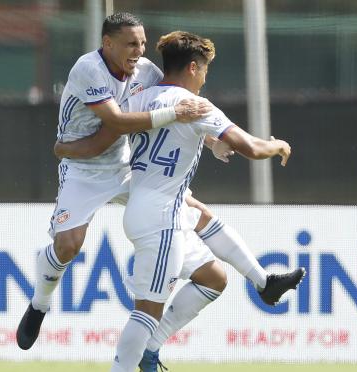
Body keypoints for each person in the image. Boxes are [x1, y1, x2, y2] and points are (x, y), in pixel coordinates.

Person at [16, 12, 301, 352]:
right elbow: (118, 122)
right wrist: (65, 148)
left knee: (195, 209)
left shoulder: (147, 72)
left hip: (124, 164)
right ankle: (40, 303)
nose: (138, 51)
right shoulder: (88, 69)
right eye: (130, 44)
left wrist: (211, 140)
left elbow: (168, 113)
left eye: (142, 43)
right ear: (107, 43)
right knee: (67, 246)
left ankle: (263, 280)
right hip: (83, 166)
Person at [109, 31, 302, 372]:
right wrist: (278, 146)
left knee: (214, 277)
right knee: (147, 311)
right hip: (160, 219)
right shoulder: (195, 105)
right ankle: (130, 363)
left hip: (151, 205)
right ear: (194, 68)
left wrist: (210, 141)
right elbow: (252, 148)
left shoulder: (139, 98)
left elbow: (159, 133)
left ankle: (264, 283)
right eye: (205, 70)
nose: (204, 78)